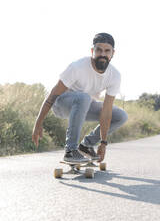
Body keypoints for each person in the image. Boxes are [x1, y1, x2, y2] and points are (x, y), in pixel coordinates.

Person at [32, 33, 128, 163]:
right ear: (92, 51)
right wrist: (38, 123)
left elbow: (106, 111)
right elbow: (53, 95)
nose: (103, 54)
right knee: (84, 98)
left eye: (107, 51)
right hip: (61, 104)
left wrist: (103, 143)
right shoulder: (78, 67)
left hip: (85, 105)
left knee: (120, 116)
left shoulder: (114, 75)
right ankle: (70, 151)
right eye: (99, 50)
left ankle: (86, 145)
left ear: (113, 53)